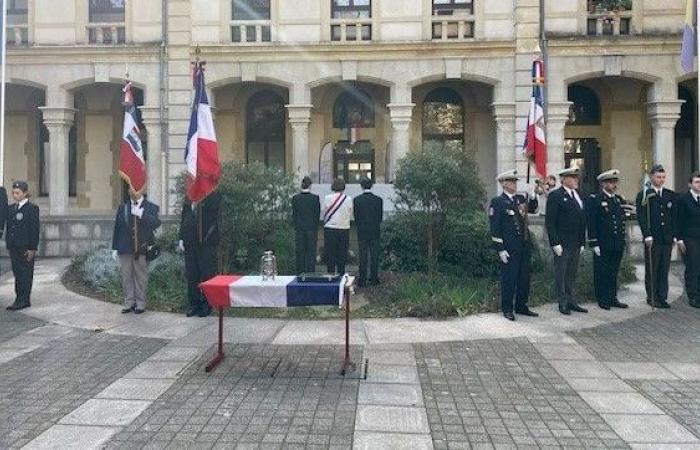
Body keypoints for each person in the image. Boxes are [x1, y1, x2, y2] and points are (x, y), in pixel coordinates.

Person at [488, 170, 539, 321]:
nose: (515, 184)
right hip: (509, 248)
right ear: (504, 183)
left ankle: (521, 306)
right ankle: (507, 308)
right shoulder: (498, 202)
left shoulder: (520, 199)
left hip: (523, 245)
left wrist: (534, 195)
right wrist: (500, 249)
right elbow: (495, 227)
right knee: (509, 279)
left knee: (524, 278)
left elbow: (533, 209)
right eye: (512, 181)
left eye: (515, 181)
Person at [545, 167, 588, 315]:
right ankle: (562, 302)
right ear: (564, 179)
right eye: (572, 177)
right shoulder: (556, 196)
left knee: (571, 273)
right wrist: (554, 243)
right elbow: (550, 222)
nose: (576, 180)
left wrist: (582, 241)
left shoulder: (578, 195)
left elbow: (582, 220)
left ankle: (571, 300)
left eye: (577, 177)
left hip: (575, 242)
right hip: (562, 243)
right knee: (561, 274)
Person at [635, 164, 679, 309]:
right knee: (652, 269)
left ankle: (662, 296)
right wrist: (647, 234)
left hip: (666, 238)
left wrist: (674, 235)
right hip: (653, 239)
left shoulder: (670, 195)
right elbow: (642, 217)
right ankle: (652, 297)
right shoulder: (644, 195)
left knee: (664, 268)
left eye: (663, 177)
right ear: (651, 176)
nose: (661, 180)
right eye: (658, 177)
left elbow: (673, 217)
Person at [111, 187, 161, 314]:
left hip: (141, 247)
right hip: (125, 247)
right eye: (130, 189)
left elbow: (156, 223)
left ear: (141, 191)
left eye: (135, 189)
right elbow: (117, 228)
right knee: (126, 276)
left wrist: (141, 214)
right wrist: (115, 247)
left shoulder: (151, 207)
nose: (132, 192)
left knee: (140, 276)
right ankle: (129, 302)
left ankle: (140, 303)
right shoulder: (123, 207)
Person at [586, 169, 629, 310]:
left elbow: (621, 220)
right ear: (603, 184)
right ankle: (602, 298)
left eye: (615, 182)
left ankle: (612, 297)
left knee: (613, 271)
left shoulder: (617, 199)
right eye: (610, 182)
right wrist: (593, 242)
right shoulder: (596, 199)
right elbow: (592, 222)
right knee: (602, 272)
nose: (613, 185)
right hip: (603, 242)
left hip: (616, 243)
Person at [178, 191, 221, 317]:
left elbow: (215, 208)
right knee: (192, 275)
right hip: (190, 242)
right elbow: (184, 218)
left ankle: (206, 304)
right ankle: (194, 304)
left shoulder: (212, 195)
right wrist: (181, 237)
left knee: (207, 275)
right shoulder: (188, 198)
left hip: (206, 242)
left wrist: (202, 199)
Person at [5, 181, 39, 311]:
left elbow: (34, 229)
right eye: (13, 193)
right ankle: (19, 298)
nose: (15, 195)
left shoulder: (32, 209)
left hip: (25, 247)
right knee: (17, 273)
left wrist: (32, 248)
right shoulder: (11, 208)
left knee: (25, 273)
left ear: (25, 193)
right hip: (14, 246)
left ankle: (24, 299)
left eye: (18, 193)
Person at [675, 172, 700, 309]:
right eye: (696, 182)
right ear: (690, 184)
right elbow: (678, 220)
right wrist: (679, 239)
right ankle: (693, 296)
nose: (699, 185)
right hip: (689, 238)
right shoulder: (683, 199)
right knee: (693, 266)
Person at [353, 177, 383, 287]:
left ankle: (362, 279)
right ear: (372, 185)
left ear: (361, 186)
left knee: (363, 254)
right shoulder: (378, 200)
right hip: (375, 230)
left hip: (362, 230)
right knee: (374, 255)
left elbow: (356, 217)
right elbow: (380, 217)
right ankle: (374, 279)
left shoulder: (357, 200)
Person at [323, 178, 353, 274]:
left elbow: (324, 211)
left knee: (330, 253)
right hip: (344, 228)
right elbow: (350, 212)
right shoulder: (348, 199)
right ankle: (341, 275)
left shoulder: (327, 198)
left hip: (330, 229)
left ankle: (330, 275)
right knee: (342, 254)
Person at [292, 176, 320, 274]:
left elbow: (294, 214)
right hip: (311, 229)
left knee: (300, 253)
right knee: (311, 253)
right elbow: (317, 214)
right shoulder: (315, 198)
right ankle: (311, 274)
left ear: (301, 185)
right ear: (310, 186)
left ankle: (300, 274)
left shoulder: (295, 198)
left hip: (299, 229)